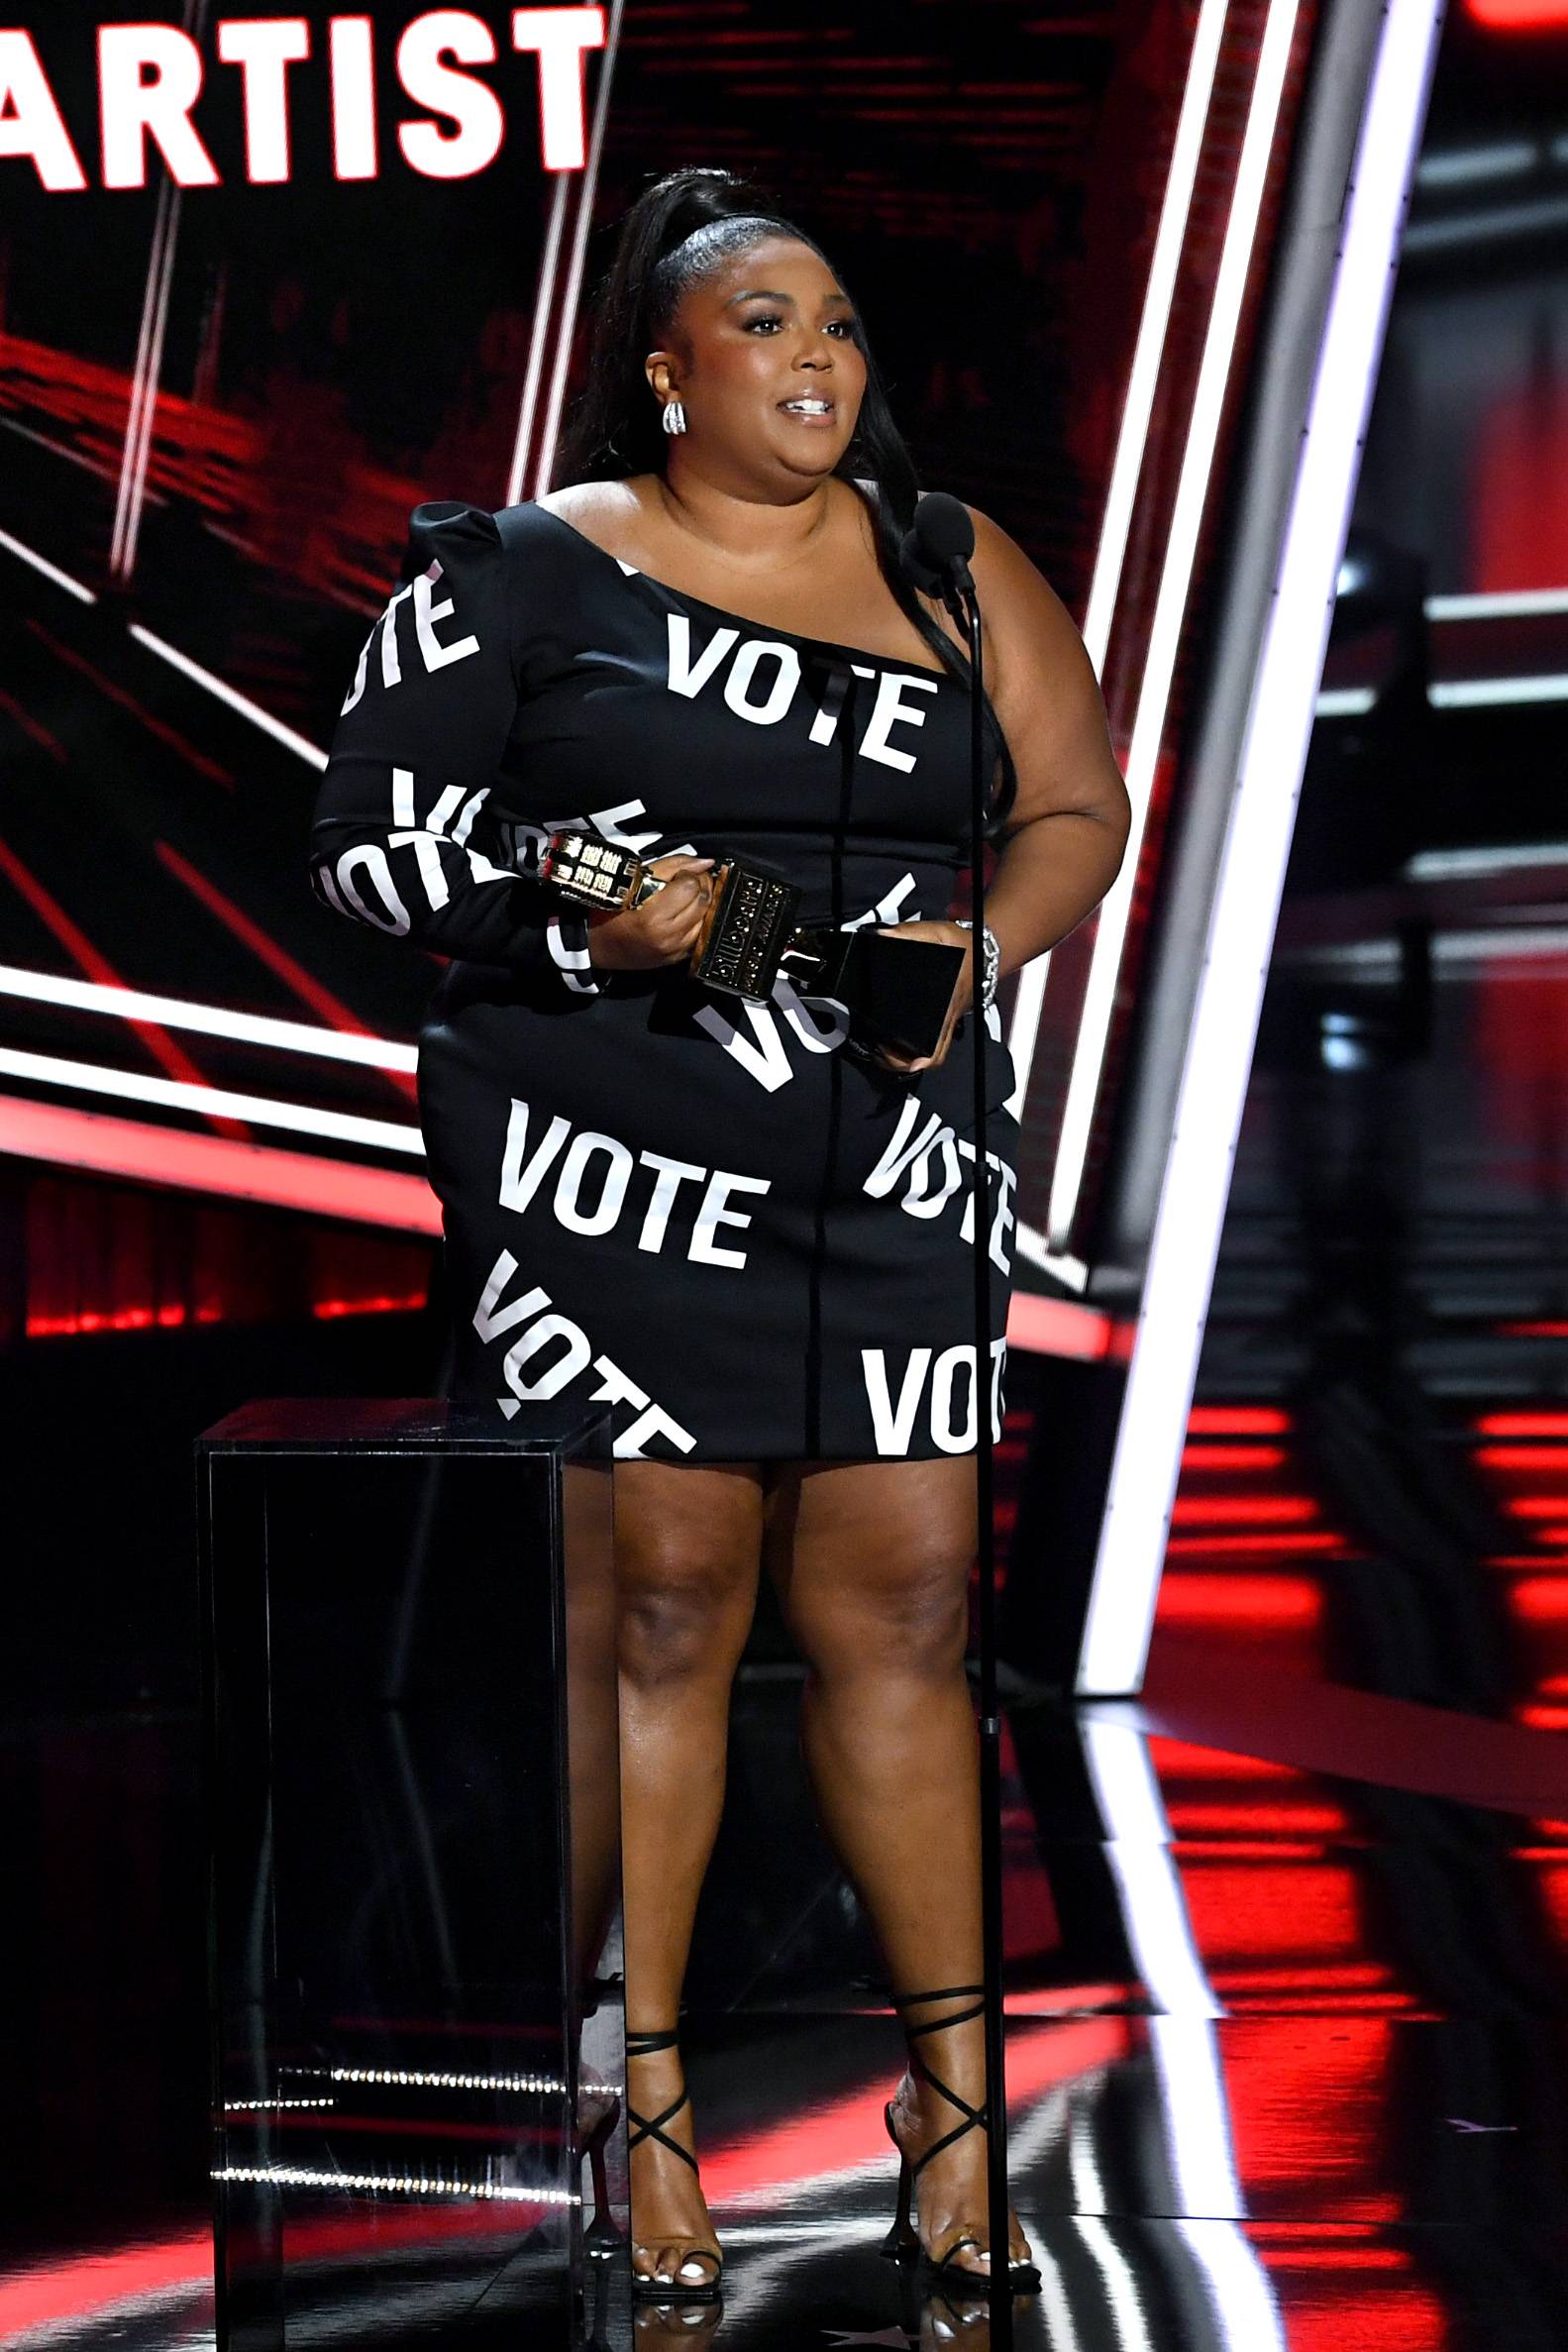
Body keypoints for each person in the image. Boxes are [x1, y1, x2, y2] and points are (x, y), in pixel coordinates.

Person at [308, 164, 1129, 2301]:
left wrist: (975, 941)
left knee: (916, 1601)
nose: (818, 360)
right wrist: (573, 897)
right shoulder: (512, 573)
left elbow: (1075, 802)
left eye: (840, 324)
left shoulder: (950, 563)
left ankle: (954, 2108)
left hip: (893, 1150)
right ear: (663, 368)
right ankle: (640, 2097)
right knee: (666, 1597)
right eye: (766, 324)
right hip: (615, 1142)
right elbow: (373, 853)